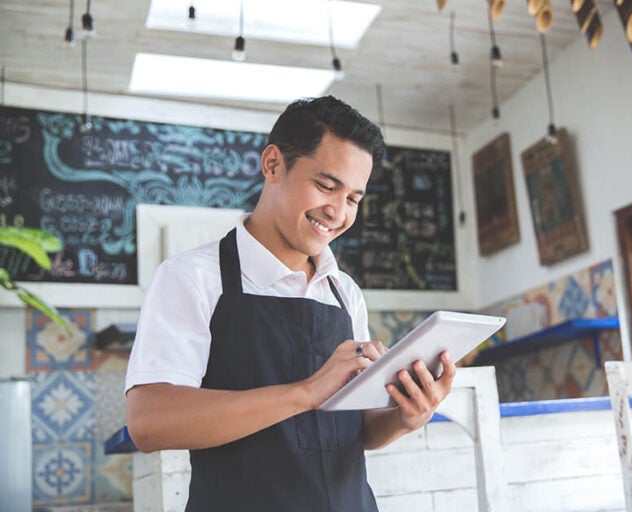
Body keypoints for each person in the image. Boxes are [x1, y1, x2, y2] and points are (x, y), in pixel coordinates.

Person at [124, 96, 457, 511]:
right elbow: (149, 423)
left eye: (354, 198)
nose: (337, 212)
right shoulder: (191, 278)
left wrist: (407, 416)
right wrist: (304, 393)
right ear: (273, 164)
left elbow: (357, 430)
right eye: (325, 186)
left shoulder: (344, 292)